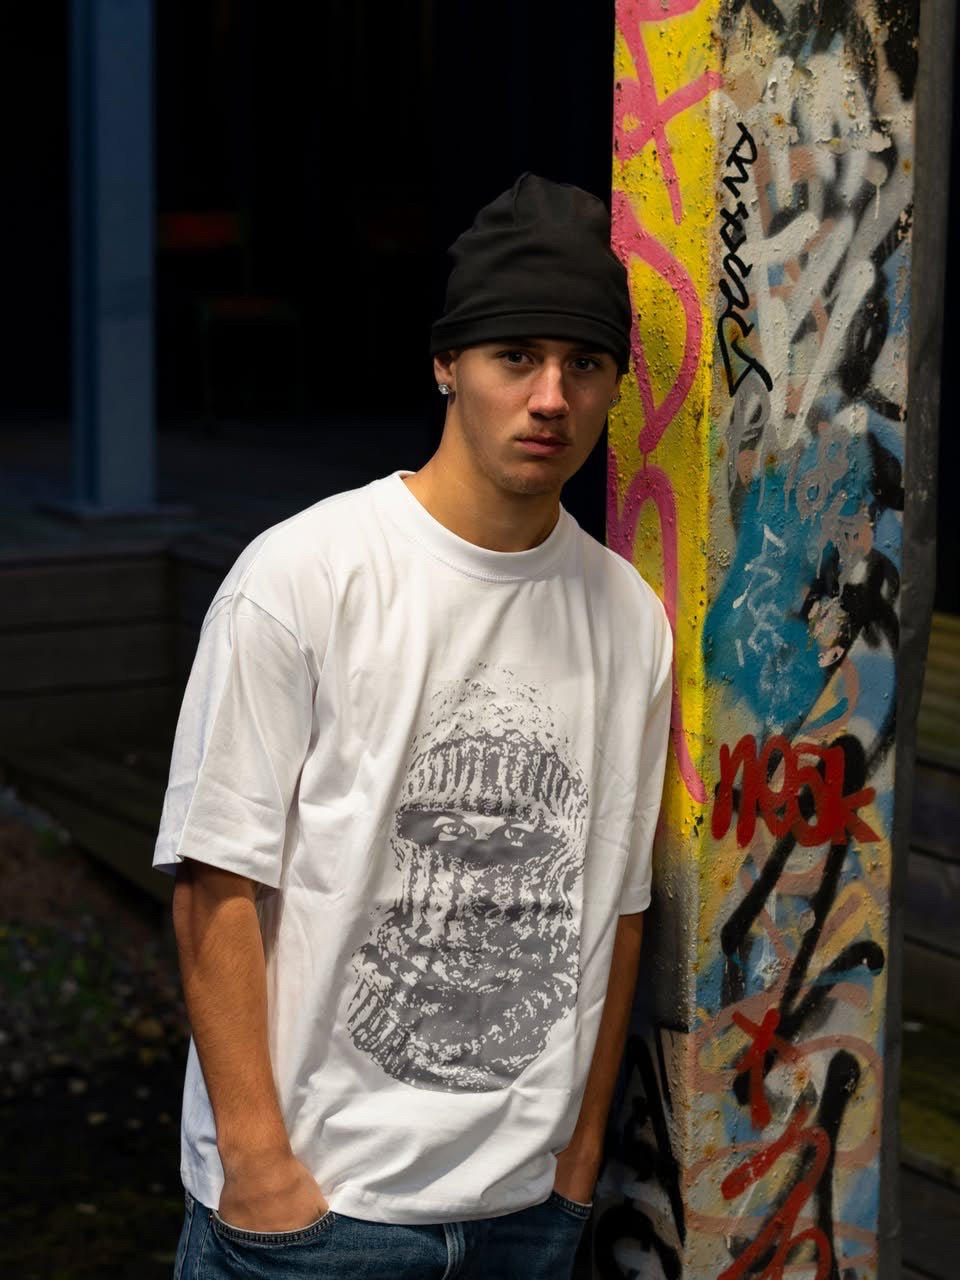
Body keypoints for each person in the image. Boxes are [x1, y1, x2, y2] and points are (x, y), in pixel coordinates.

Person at [156, 173, 673, 1280]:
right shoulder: (304, 576)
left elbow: (618, 904)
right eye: (515, 357)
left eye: (584, 364)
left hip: (525, 1211)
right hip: (318, 1213)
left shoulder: (630, 617)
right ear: (447, 363)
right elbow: (214, 881)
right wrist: (258, 1165)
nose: (551, 397)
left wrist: (579, 1155)